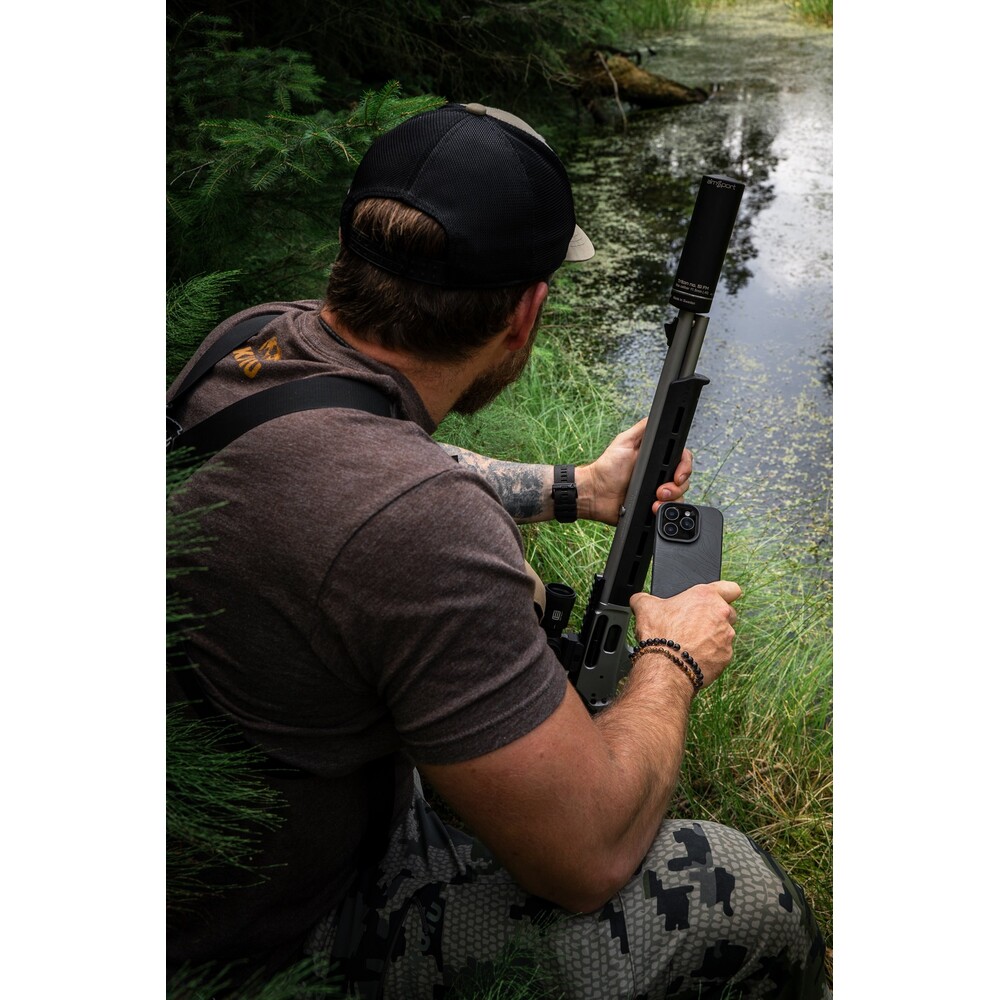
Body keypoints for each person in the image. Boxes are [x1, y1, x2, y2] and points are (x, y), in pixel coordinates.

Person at [167, 102, 830, 999]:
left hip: (199, 852)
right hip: (270, 941)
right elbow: (586, 861)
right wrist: (671, 659)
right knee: (739, 893)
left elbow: (384, 462)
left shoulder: (251, 343)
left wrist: (577, 488)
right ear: (525, 313)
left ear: (353, 257)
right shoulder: (422, 530)